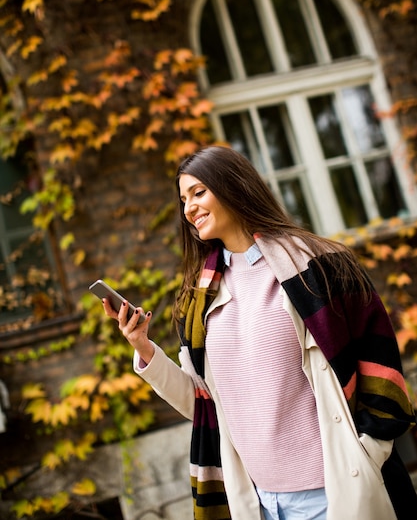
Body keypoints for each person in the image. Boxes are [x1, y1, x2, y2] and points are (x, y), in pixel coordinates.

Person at [103, 145, 417, 520]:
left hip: (333, 495)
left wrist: (368, 450)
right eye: (183, 199)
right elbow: (203, 404)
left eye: (199, 192)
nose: (188, 208)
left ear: (234, 186)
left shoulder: (320, 267)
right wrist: (143, 347)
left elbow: (381, 368)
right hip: (258, 503)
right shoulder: (198, 299)